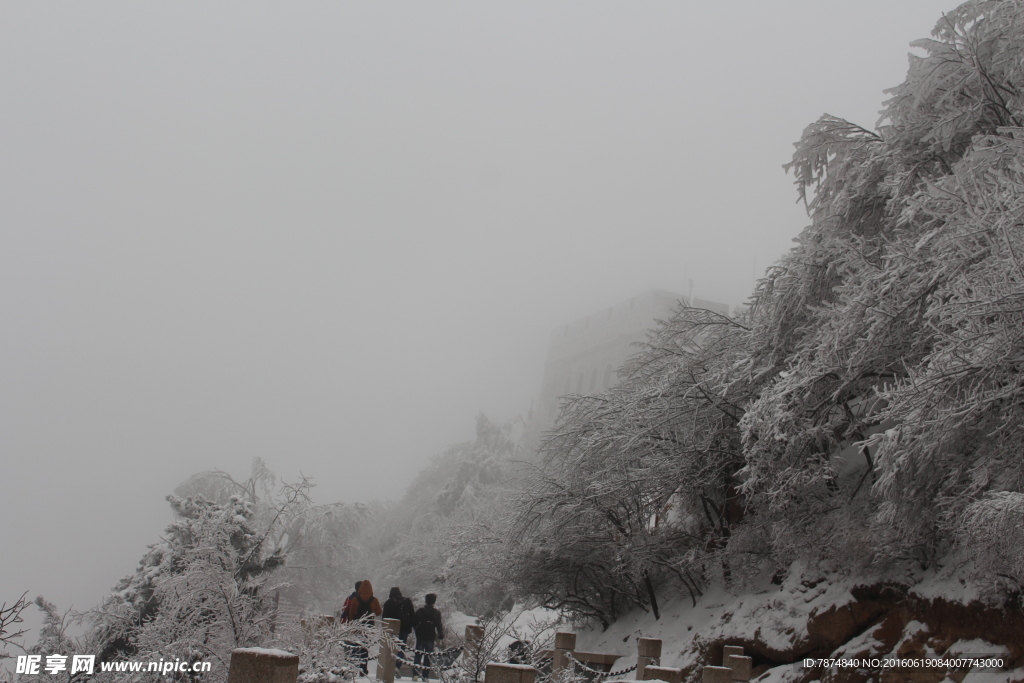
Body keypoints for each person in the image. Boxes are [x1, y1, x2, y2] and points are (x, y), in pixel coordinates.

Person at [346, 580, 382, 674]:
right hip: (368, 627)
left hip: (358, 626)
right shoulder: (374, 600)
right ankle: (363, 668)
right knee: (365, 647)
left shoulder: (355, 599)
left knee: (356, 645)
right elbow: (378, 612)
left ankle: (353, 668)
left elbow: (351, 614)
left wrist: (352, 623)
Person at [412, 593, 443, 681]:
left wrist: (417, 631)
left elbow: (414, 623)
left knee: (418, 655)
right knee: (428, 657)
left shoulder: (420, 611)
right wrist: (441, 634)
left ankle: (415, 674)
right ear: (434, 601)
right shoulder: (436, 613)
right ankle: (425, 676)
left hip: (420, 636)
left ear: (426, 600)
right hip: (430, 636)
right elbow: (439, 625)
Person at [382, 588, 411, 678]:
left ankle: (390, 665)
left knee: (391, 647)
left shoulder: (388, 603)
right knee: (401, 648)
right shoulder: (407, 601)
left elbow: (384, 617)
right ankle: (397, 665)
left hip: (392, 629)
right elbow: (412, 615)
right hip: (404, 628)